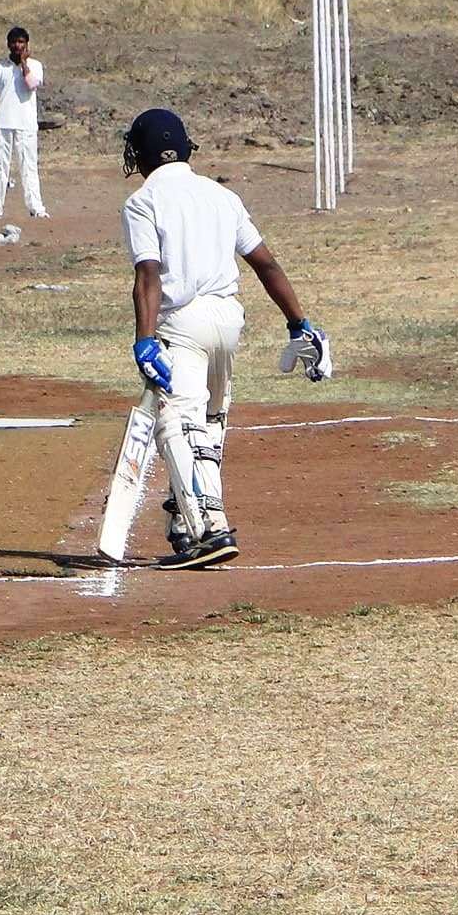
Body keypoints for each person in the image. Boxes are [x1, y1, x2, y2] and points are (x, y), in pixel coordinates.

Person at [120, 108, 331, 570]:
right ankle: (183, 520)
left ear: (143, 152)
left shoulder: (143, 201)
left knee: (175, 422)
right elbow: (266, 264)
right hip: (227, 324)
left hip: (183, 325)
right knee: (209, 428)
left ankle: (207, 530)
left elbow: (148, 275)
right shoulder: (222, 196)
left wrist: (145, 339)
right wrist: (300, 323)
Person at [0, 25, 49, 220]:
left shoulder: (35, 65)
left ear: (26, 44)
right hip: (2, 123)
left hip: (26, 124)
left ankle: (36, 206)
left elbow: (32, 85)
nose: (17, 46)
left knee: (28, 166)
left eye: (21, 42)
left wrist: (24, 64)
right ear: (8, 44)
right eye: (14, 42)